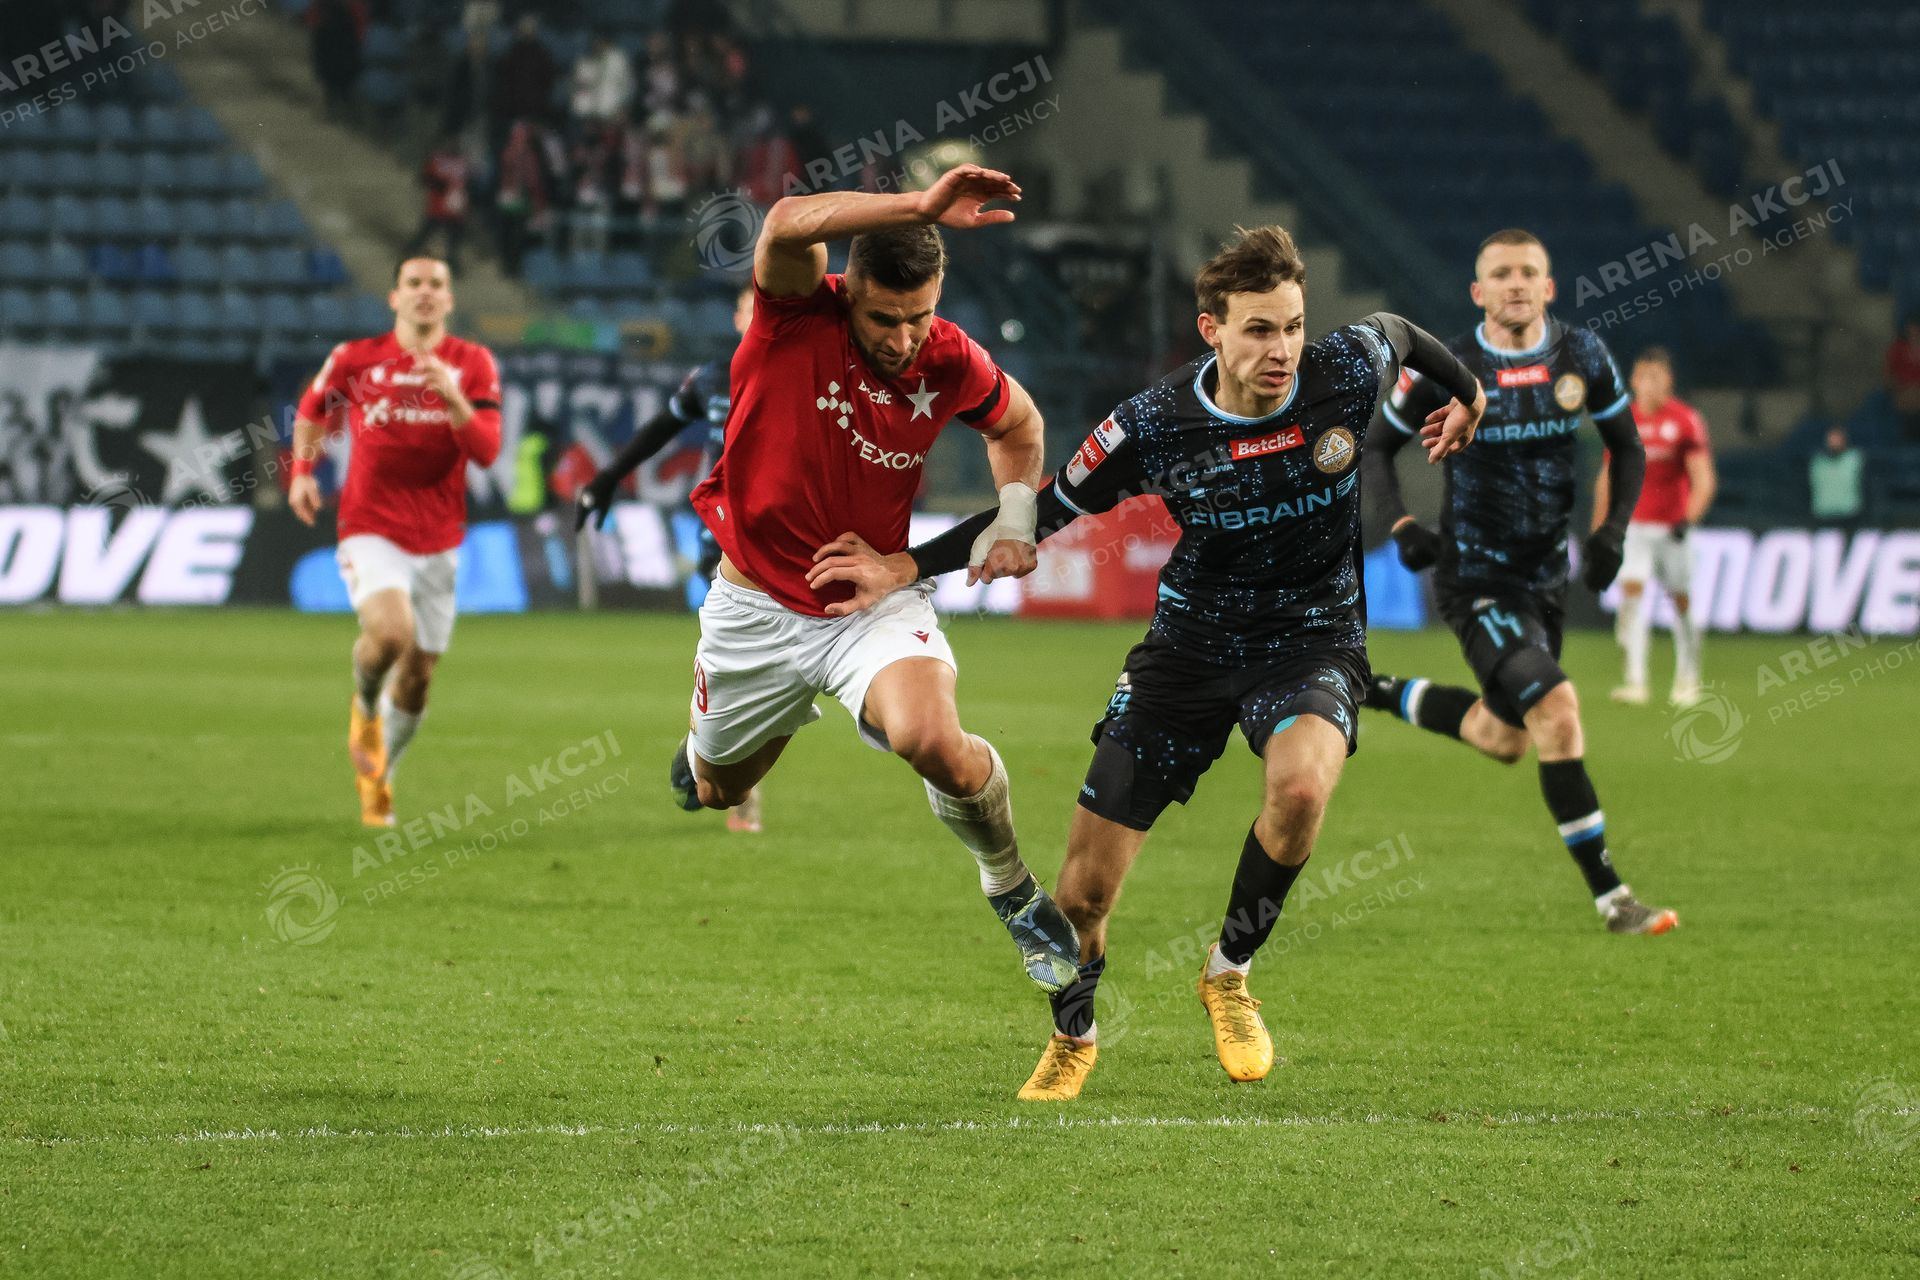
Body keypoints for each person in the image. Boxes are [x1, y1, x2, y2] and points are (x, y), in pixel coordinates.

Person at [809, 226, 1484, 1100]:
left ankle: (1228, 972)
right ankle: (1074, 1034)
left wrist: (1469, 393)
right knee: (1082, 896)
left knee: (1301, 789)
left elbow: (1399, 330)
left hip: (1312, 638)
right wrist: (906, 566)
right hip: (1186, 652)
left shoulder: (1344, 372)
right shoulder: (1154, 424)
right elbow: (1045, 507)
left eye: (1291, 327)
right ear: (1212, 330)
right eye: (1258, 330)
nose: (1282, 350)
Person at [671, 164, 1082, 996]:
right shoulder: (794, 316)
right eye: (884, 318)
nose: (902, 339)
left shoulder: (948, 357)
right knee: (717, 789)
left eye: (918, 316)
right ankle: (721, 739)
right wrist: (921, 205)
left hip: (871, 604)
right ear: (847, 290)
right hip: (754, 606)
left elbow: (1020, 425)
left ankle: (1010, 886)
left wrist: (1014, 516)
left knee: (931, 739)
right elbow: (786, 220)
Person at [1363, 228, 1678, 938]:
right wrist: (1403, 525)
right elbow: (1376, 447)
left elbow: (1628, 448)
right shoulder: (1451, 367)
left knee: (1503, 737)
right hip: (1475, 578)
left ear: (1548, 287)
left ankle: (1373, 689)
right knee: (1558, 711)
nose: (1515, 283)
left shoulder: (1581, 356)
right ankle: (1614, 901)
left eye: (1528, 272)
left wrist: (1611, 533)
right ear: (1478, 292)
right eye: (1501, 273)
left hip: (1545, 583)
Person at [289, 257, 503, 827]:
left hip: (440, 538)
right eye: (414, 284)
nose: (425, 293)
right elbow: (313, 409)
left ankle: (380, 776)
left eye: (437, 284)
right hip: (371, 526)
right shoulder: (357, 358)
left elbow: (486, 451)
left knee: (419, 676)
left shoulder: (473, 363)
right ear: (394, 297)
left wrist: (454, 400)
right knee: (390, 633)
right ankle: (364, 704)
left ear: (450, 300)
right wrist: (302, 473)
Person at [576, 284, 761, 830]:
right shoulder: (713, 378)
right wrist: (609, 477)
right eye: (752, 308)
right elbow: (663, 425)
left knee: (758, 662)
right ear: (736, 319)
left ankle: (712, 753)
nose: (763, 316)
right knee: (739, 657)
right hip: (722, 537)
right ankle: (731, 771)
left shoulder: (812, 377)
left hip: (787, 538)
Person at [1596, 346, 1715, 707]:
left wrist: (1688, 518)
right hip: (1634, 527)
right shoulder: (1624, 421)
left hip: (1672, 529)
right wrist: (1600, 528)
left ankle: (1688, 679)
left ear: (1668, 381)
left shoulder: (1684, 420)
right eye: (1643, 376)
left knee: (1681, 601)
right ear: (1633, 380)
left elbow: (1703, 478)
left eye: (1655, 377)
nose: (1648, 383)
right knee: (1631, 598)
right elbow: (1608, 476)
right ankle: (1636, 681)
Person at [404, 136, 471, 272]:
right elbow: (425, 178)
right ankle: (410, 251)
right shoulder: (437, 160)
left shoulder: (462, 162)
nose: (455, 146)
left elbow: (467, 183)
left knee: (455, 235)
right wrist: (440, 184)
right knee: (428, 230)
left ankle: (452, 259)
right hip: (438, 205)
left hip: (455, 207)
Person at [1809, 425, 1864, 531]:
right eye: (1831, 439)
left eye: (1837, 439)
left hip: (1850, 515)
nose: (1834, 442)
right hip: (1823, 515)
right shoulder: (1817, 461)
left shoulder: (1855, 459)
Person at [1885, 316, 1920, 443]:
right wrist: (1901, 388)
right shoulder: (1897, 348)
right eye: (1911, 329)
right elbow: (1889, 373)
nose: (1914, 333)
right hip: (1902, 391)